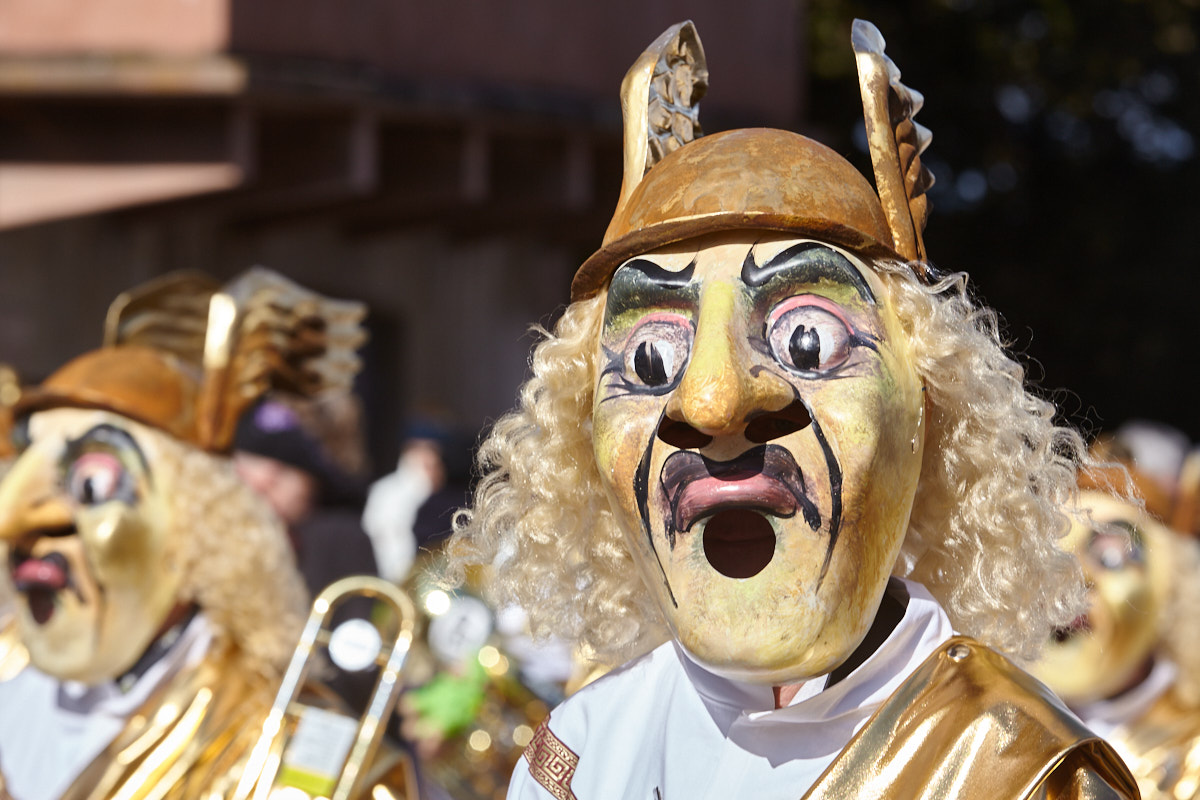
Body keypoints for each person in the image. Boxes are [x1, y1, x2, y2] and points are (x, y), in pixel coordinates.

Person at [447, 20, 1137, 799]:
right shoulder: (584, 752)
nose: (712, 403)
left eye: (808, 340)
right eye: (650, 360)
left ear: (929, 412)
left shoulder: (1015, 770)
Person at [0, 269, 412, 799]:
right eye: (22, 468)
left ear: (193, 524)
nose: (15, 520)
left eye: (92, 483)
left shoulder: (295, 758)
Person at [1031, 437, 1200, 800]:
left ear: (1171, 586)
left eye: (1108, 557)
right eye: (1052, 556)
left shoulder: (1193, 750)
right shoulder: (995, 723)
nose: (1074, 580)